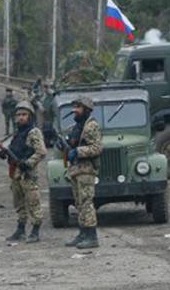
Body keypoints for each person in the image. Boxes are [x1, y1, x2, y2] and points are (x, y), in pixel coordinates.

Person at [0, 101, 46, 243]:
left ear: (30, 116)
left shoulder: (33, 132)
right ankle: (20, 230)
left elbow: (41, 152)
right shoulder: (17, 133)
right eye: (18, 115)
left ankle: (35, 231)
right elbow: (14, 150)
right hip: (16, 174)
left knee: (33, 203)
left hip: (28, 174)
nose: (20, 118)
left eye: (24, 115)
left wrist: (28, 163)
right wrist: (4, 153)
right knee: (19, 203)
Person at [64, 96, 102, 249]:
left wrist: (77, 151)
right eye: (74, 107)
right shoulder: (78, 126)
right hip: (76, 170)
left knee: (86, 203)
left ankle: (92, 236)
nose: (75, 111)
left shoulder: (91, 126)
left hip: (86, 170)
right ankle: (82, 233)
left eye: (78, 108)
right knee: (79, 203)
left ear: (86, 109)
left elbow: (97, 148)